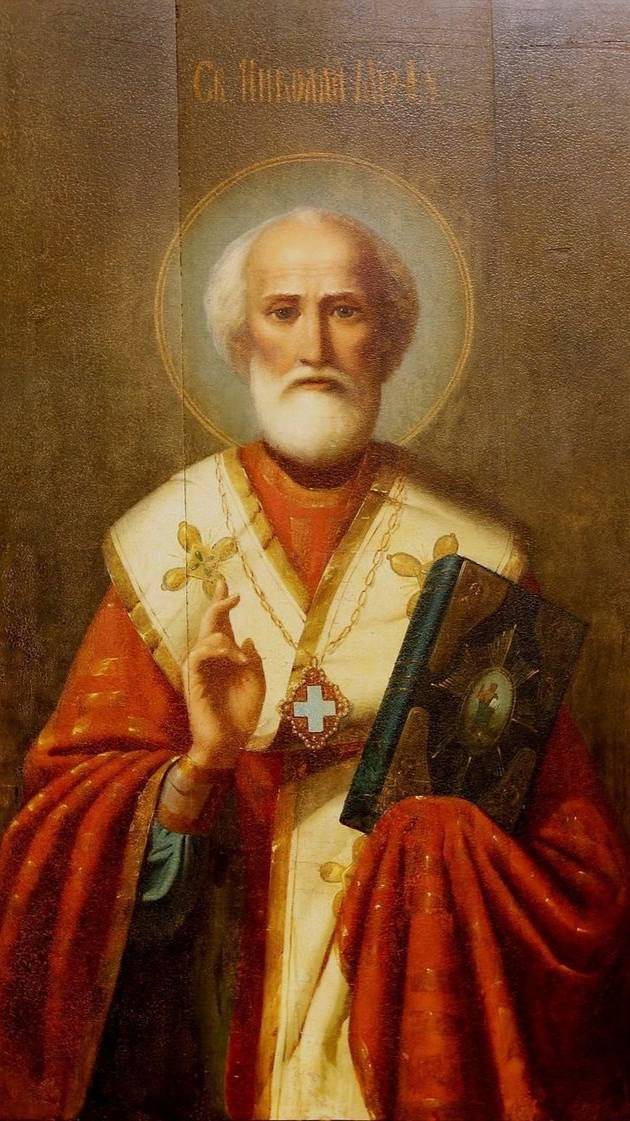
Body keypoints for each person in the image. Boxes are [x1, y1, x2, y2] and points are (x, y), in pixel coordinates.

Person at [0, 208, 628, 1121]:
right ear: (240, 339)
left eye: (345, 310)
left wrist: (444, 847)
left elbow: (577, 866)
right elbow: (62, 858)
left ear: (391, 340)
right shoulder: (165, 543)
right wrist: (200, 767)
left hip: (415, 1035)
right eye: (283, 311)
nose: (314, 347)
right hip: (219, 1026)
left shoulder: (481, 555)